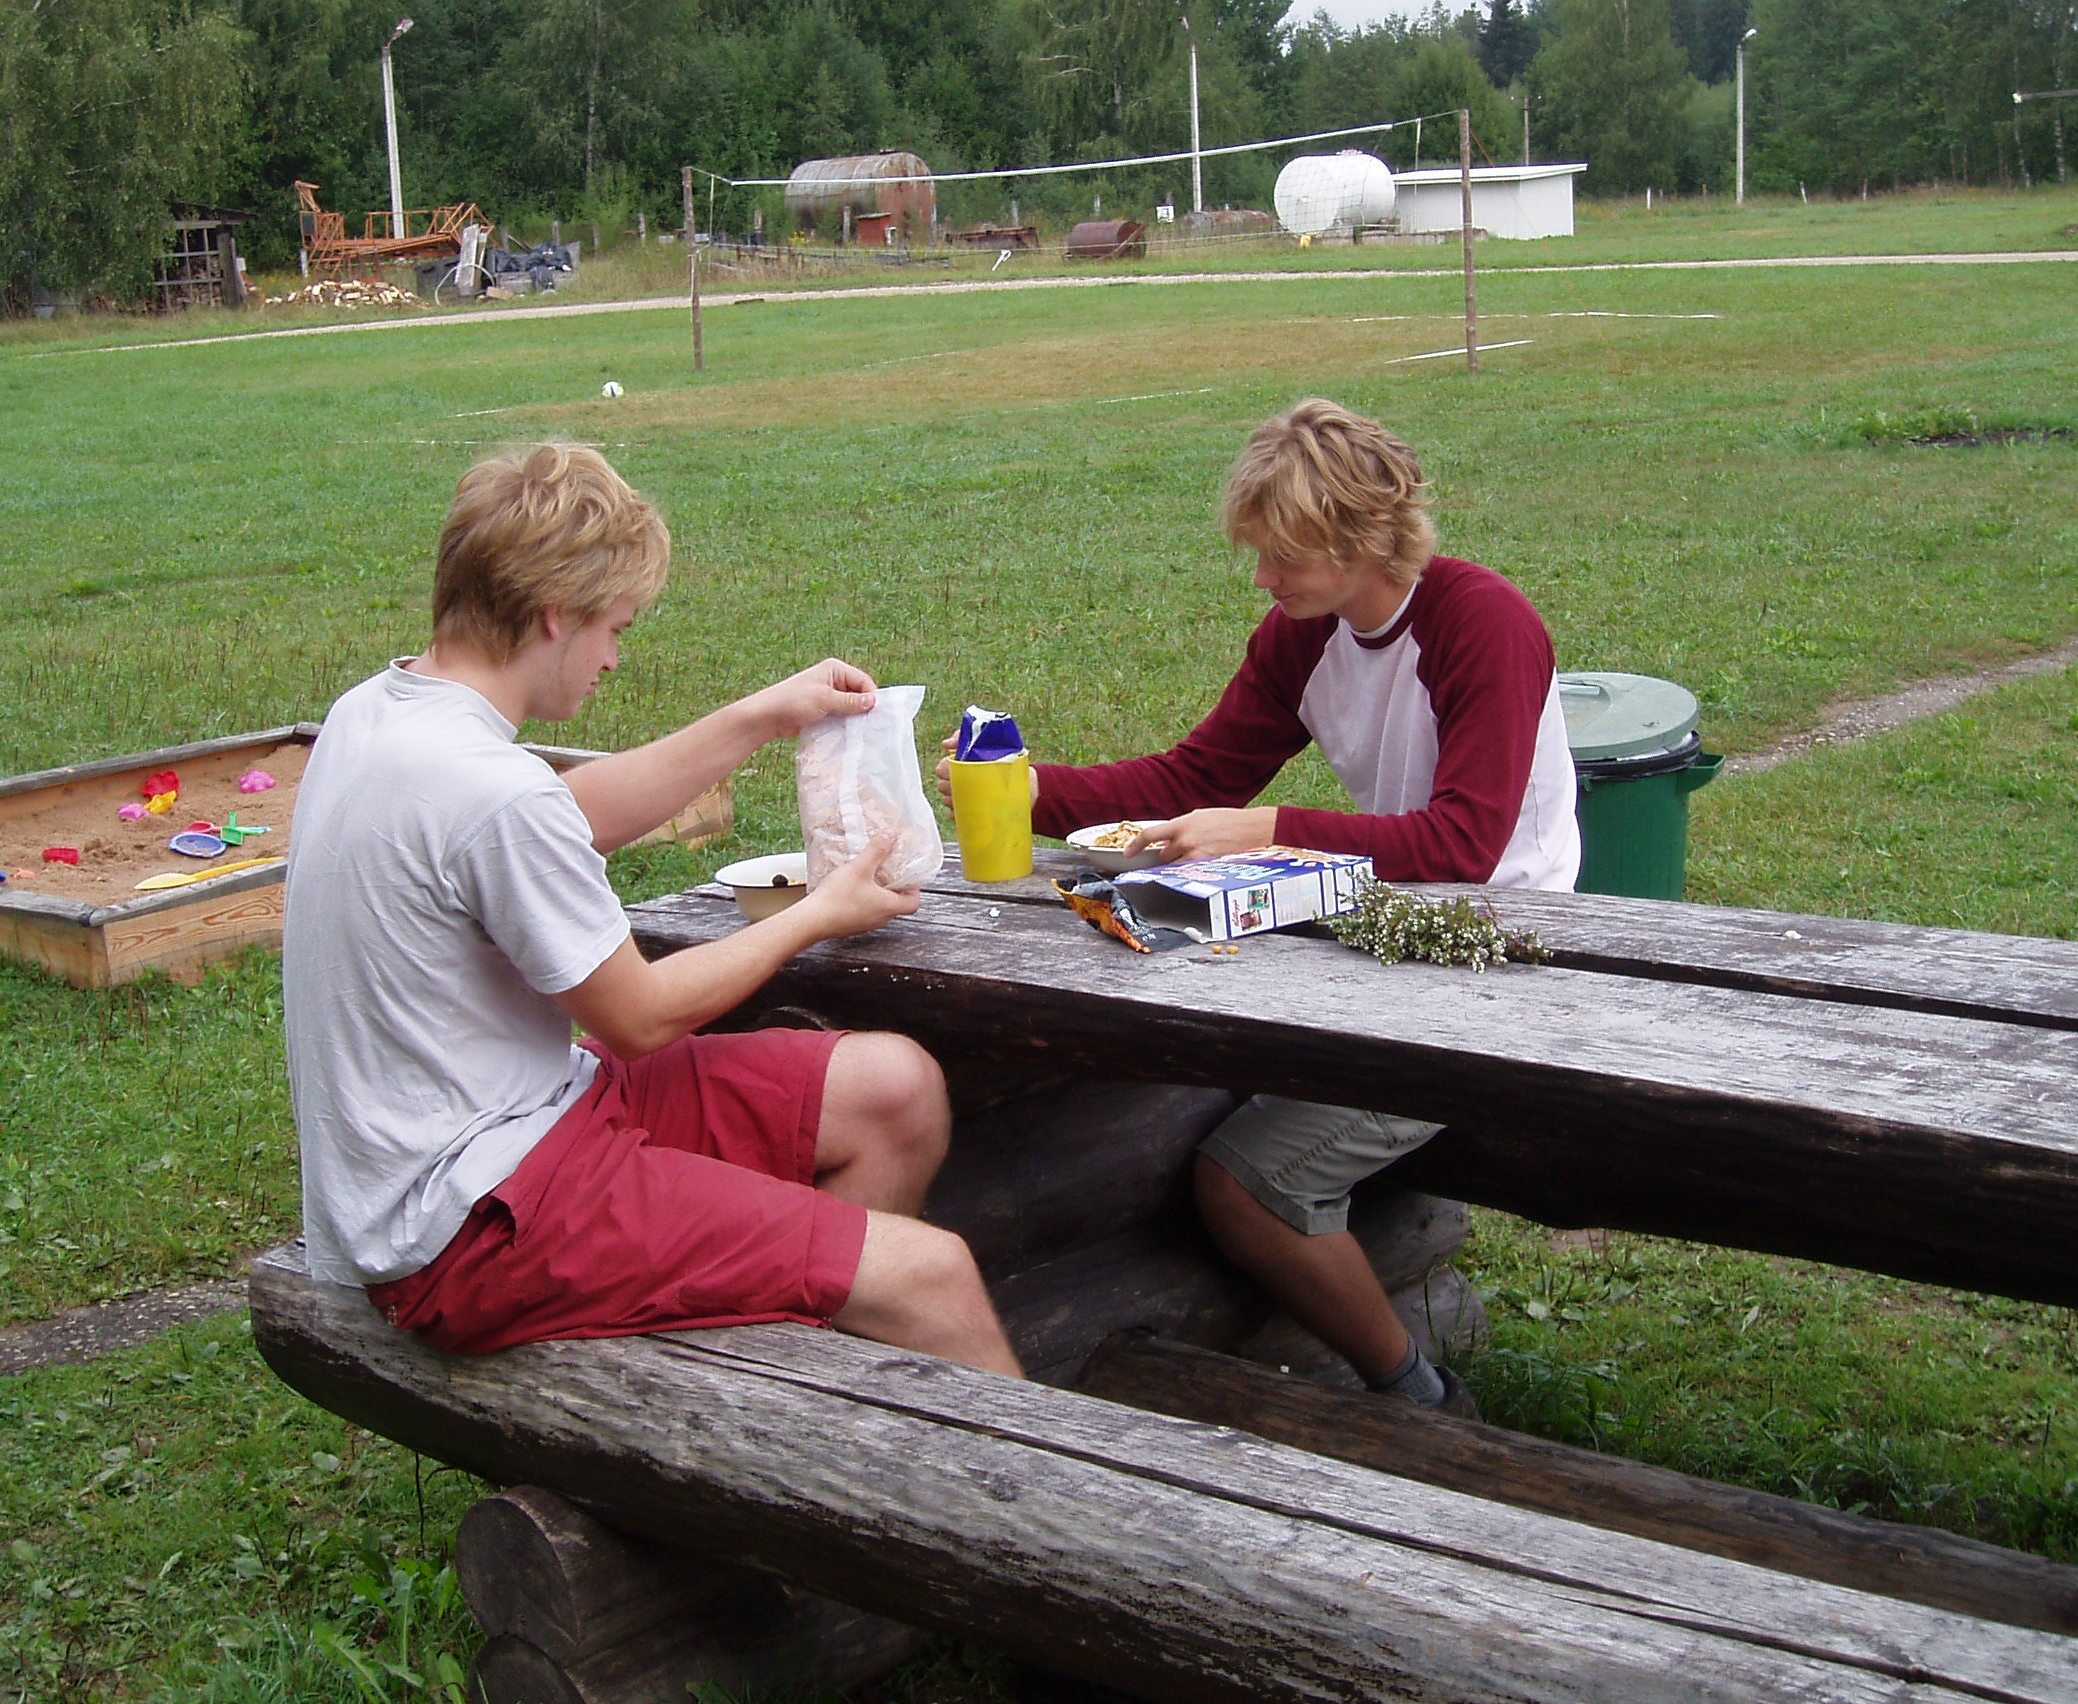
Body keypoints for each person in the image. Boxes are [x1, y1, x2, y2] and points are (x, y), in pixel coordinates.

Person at [286, 442, 1020, 1377]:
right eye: (615, 629)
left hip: (520, 1122)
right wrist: (815, 911)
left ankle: (810, 1388)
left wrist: (762, 713)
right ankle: (1034, 1509)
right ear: (557, 615)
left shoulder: (379, 715)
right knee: (935, 1275)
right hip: (467, 1224)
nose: (615, 659)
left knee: (895, 1092)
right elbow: (638, 1019)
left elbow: (570, 817)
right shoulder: (486, 788)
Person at [944, 399, 1576, 1412]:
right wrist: (1031, 791)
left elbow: (1466, 846)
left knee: (1249, 1182)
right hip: (1379, 926)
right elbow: (1199, 772)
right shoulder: (1305, 634)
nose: (1262, 578)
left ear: (1362, 540)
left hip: (1502, 954)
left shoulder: (1479, 622)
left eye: (1282, 554)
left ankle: (1416, 1394)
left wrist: (1270, 826)